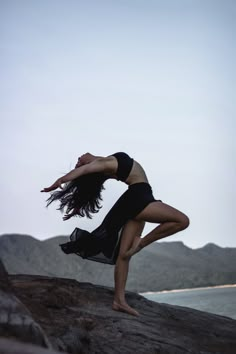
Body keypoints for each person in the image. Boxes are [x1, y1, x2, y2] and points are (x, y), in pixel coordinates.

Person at [41, 152, 189, 316]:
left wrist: (78, 207)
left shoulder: (103, 167)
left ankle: (119, 301)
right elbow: (82, 171)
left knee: (124, 255)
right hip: (138, 197)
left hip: (135, 197)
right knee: (182, 221)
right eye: (79, 162)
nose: (78, 159)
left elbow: (90, 182)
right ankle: (141, 243)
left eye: (78, 160)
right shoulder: (104, 163)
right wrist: (61, 180)